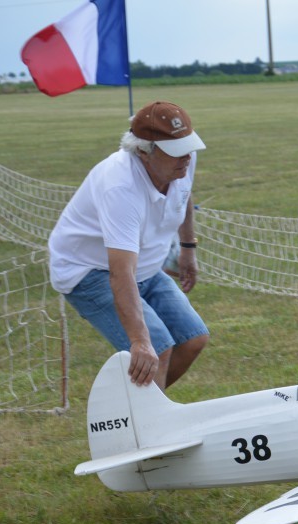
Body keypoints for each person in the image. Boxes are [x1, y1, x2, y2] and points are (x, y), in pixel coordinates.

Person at [48, 100, 209, 389]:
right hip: (88, 271)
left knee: (193, 338)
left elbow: (184, 196)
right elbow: (120, 274)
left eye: (188, 146)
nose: (186, 157)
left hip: (144, 268)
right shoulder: (120, 187)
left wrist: (187, 249)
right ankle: (145, 427)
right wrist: (139, 340)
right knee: (155, 349)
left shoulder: (182, 162)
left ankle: (140, 410)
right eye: (175, 152)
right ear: (144, 151)